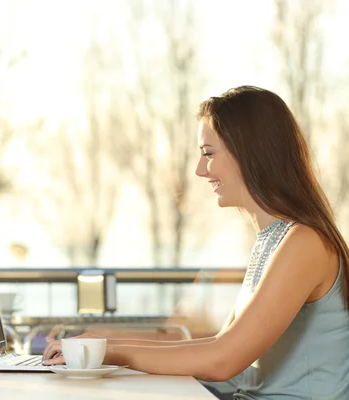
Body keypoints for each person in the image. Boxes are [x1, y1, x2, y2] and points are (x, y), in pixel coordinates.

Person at [43, 86, 349, 399]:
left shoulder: (305, 243)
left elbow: (223, 360)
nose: (200, 170)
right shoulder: (272, 243)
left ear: (249, 153)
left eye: (208, 154)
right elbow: (222, 347)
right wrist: (105, 343)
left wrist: (110, 351)